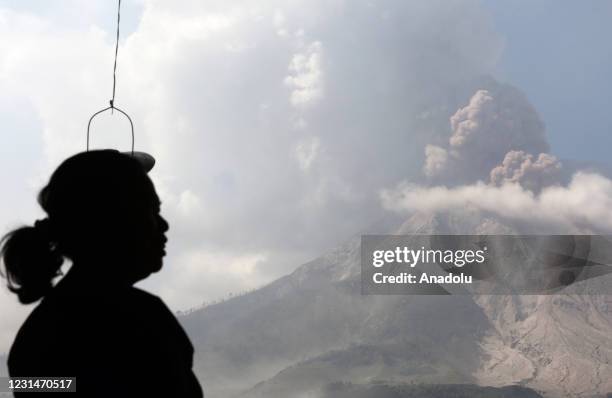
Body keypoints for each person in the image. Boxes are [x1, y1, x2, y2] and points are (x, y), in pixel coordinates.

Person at [1, 150, 203, 397]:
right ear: (110, 222)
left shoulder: (33, 340)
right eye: (150, 210)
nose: (163, 225)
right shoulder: (140, 319)